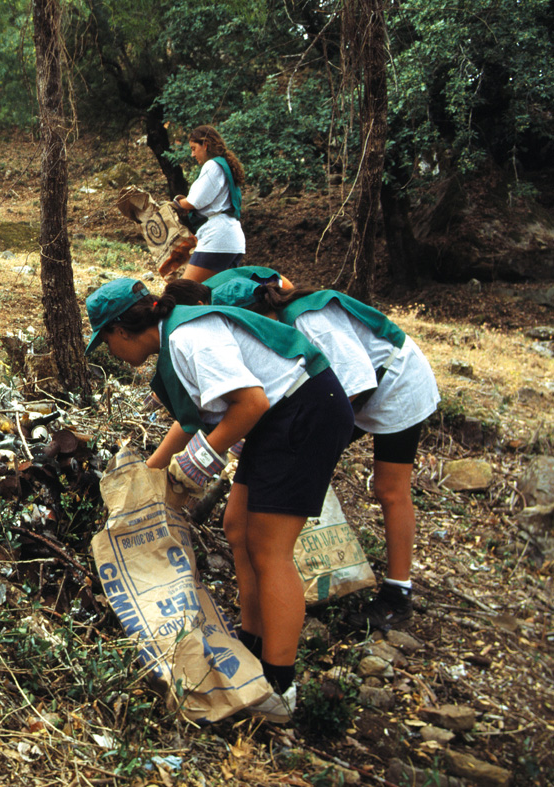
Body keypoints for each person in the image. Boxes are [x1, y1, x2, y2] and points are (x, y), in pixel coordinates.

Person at [86, 278, 354, 723]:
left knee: (271, 550)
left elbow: (250, 403)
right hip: (278, 419)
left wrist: (202, 461)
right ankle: (251, 642)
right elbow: (193, 421)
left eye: (107, 342)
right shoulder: (175, 339)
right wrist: (145, 479)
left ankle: (279, 682)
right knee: (237, 527)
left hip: (304, 412)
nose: (112, 353)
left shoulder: (191, 337)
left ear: (122, 329)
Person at [211, 279, 440, 631]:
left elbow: (353, 384)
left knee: (390, 489)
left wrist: (312, 444)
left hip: (395, 381)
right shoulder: (278, 326)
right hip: (345, 394)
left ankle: (398, 594)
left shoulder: (308, 319)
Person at [172, 126, 246, 284]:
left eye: (194, 148)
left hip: (218, 239)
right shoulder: (225, 166)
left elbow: (193, 202)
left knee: (186, 291)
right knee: (212, 294)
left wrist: (177, 202)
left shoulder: (212, 166)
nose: (192, 154)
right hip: (233, 240)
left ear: (205, 145)